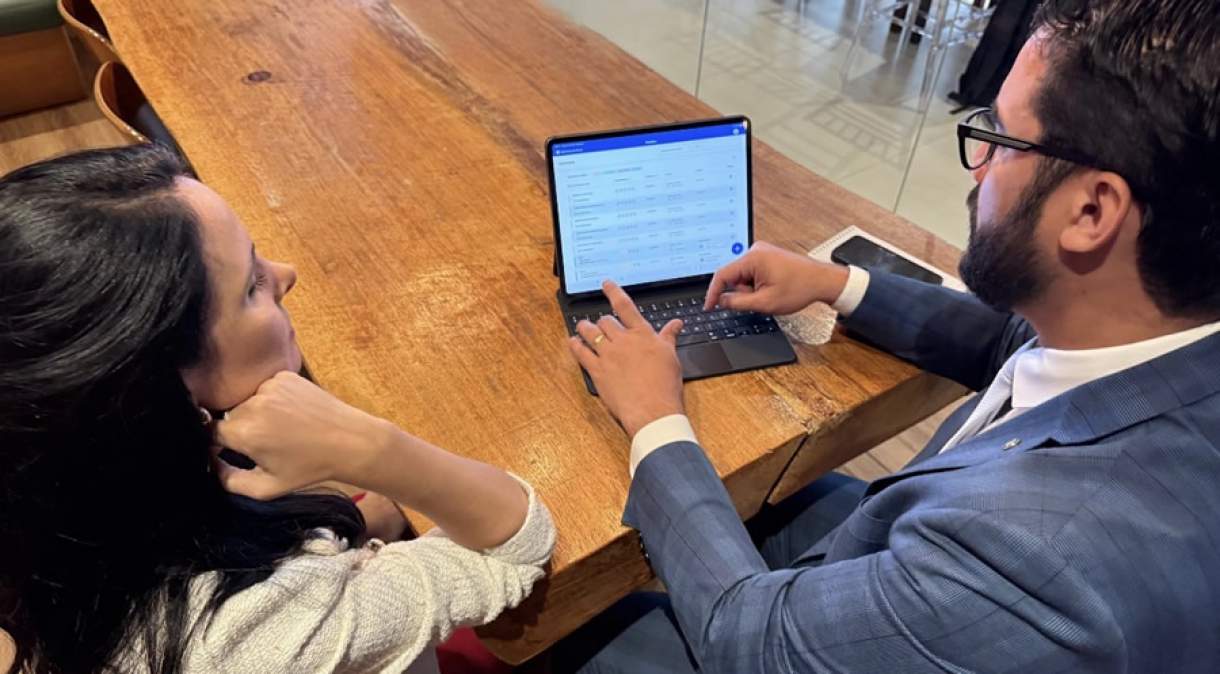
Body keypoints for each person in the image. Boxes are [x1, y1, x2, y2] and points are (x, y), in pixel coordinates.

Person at [556, 0, 1220, 671]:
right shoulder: (1160, 332)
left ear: (1092, 210)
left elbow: (749, 640)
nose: (978, 165)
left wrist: (655, 418)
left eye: (1001, 139)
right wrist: (834, 282)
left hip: (854, 614)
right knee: (771, 500)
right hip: (896, 541)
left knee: (576, 634)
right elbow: (1011, 339)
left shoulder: (1036, 561)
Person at [0, 145, 555, 674]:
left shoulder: (71, 503)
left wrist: (357, 520)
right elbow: (517, 545)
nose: (286, 274)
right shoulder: (254, 632)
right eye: (251, 287)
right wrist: (373, 448)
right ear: (160, 394)